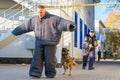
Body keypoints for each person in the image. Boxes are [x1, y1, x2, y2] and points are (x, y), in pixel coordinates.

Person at [12, 5, 76, 78]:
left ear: (45, 10)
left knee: (50, 59)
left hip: (51, 42)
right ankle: (35, 73)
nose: (40, 14)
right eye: (38, 12)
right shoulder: (34, 20)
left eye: (41, 12)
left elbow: (62, 22)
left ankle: (50, 74)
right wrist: (15, 31)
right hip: (39, 42)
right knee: (36, 58)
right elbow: (25, 26)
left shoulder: (53, 18)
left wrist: (70, 25)